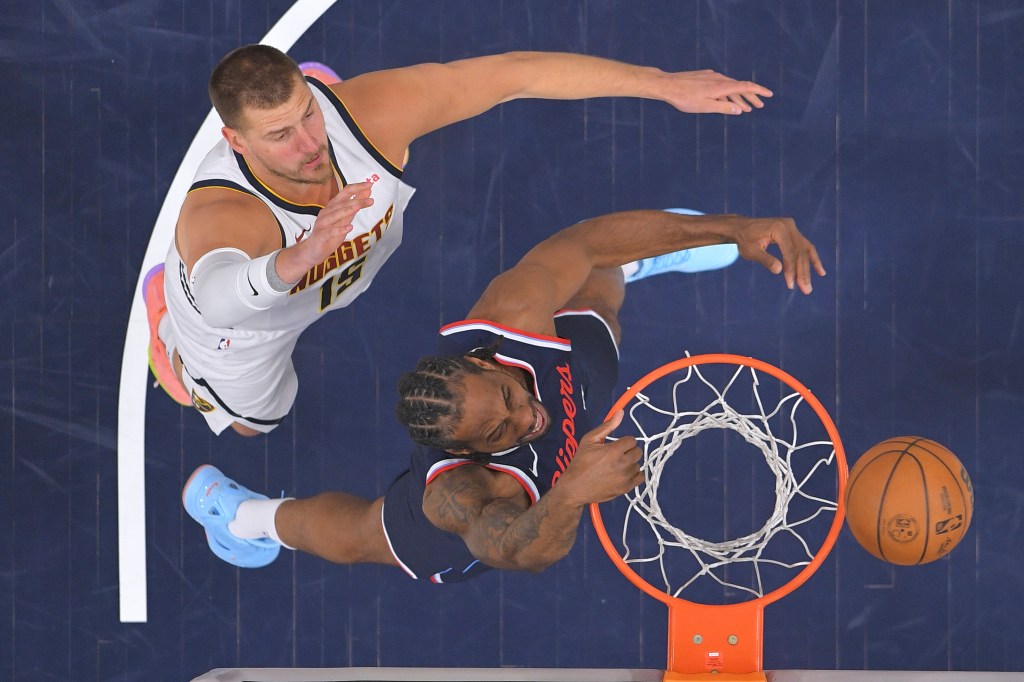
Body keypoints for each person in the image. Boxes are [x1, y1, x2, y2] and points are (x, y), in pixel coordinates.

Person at [143, 44, 775, 436]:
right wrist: (298, 258)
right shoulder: (225, 213)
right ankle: (170, 338)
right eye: (280, 135)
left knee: (357, 123)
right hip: (243, 324)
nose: (311, 145)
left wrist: (662, 82)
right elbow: (221, 297)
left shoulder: (362, 115)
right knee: (258, 424)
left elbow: (514, 75)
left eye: (307, 111)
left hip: (341, 264)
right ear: (236, 142)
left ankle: (295, 98)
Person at [181, 207, 824, 578]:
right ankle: (244, 520)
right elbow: (515, 552)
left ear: (486, 360)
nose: (527, 417)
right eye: (500, 432)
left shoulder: (511, 315)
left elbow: (586, 240)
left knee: (597, 282)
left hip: (572, 408)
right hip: (532, 504)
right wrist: (570, 491)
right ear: (470, 451)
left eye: (510, 396)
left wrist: (730, 229)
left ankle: (642, 262)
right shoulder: (455, 494)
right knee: (361, 535)